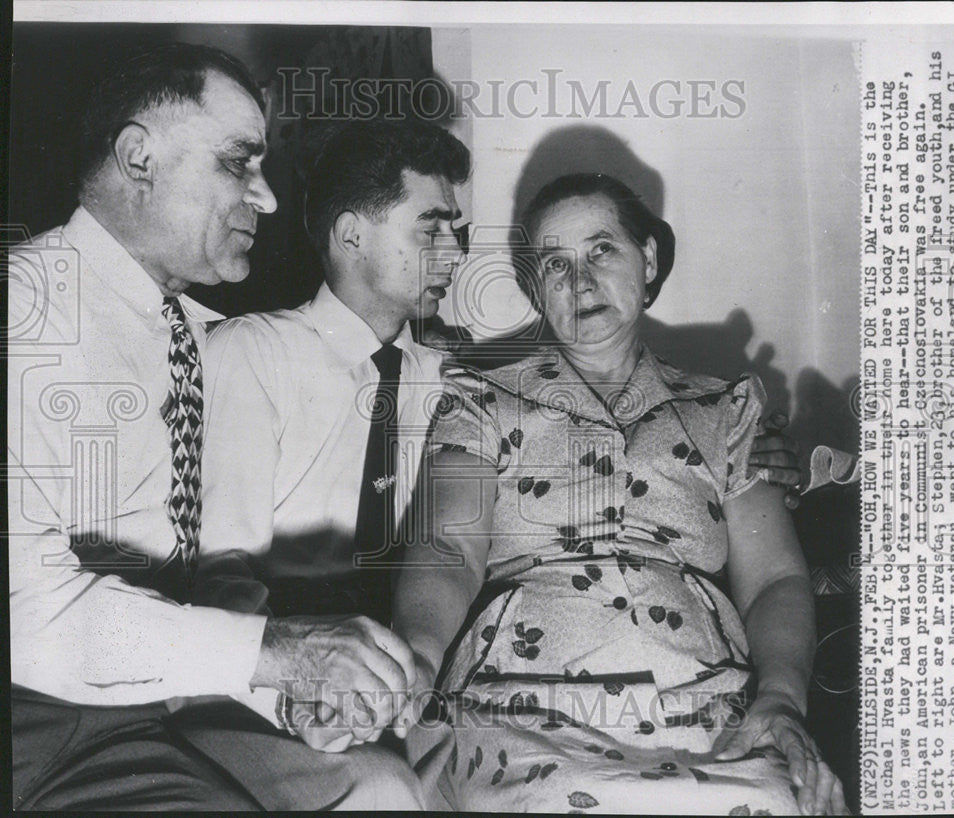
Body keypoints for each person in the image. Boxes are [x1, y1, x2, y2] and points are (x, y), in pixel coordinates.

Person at [7, 43, 422, 810]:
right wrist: (277, 654)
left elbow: (195, 577)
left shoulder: (191, 337)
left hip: (153, 709)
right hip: (33, 724)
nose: (265, 198)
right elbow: (23, 614)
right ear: (140, 158)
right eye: (239, 163)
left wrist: (290, 694)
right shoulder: (25, 314)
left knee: (385, 790)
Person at [394, 173, 848, 814]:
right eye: (554, 264)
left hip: (703, 699)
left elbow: (775, 578)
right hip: (523, 699)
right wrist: (416, 656)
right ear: (535, 289)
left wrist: (779, 698)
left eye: (602, 249)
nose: (580, 281)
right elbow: (449, 550)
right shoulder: (480, 400)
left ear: (650, 259)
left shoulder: (725, 409)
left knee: (784, 800)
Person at [193, 118, 470, 751]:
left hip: (405, 679)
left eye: (455, 230)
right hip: (277, 689)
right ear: (351, 234)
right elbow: (224, 566)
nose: (454, 253)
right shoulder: (255, 353)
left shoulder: (449, 379)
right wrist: (294, 696)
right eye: (431, 228)